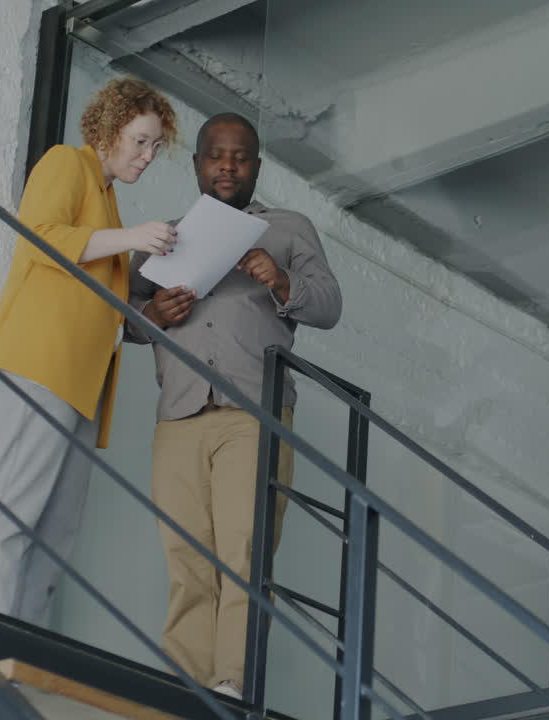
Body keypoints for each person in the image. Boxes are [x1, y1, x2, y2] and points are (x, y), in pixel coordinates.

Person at [126, 112, 342, 699]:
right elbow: (121, 315)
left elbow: (328, 305)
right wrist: (151, 318)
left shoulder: (288, 227)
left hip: (256, 413)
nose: (227, 165)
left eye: (240, 156)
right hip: (179, 415)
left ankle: (231, 683)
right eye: (215, 155)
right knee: (185, 552)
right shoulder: (163, 236)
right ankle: (184, 685)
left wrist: (280, 282)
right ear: (197, 163)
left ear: (256, 167)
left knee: (244, 551)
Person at [0, 77, 179, 625]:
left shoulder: (107, 199)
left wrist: (153, 303)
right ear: (108, 130)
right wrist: (133, 240)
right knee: (13, 506)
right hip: (43, 365)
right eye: (140, 141)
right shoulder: (66, 162)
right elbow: (39, 234)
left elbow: (101, 302)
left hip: (83, 383)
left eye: (155, 145)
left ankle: (22, 649)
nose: (148, 156)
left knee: (55, 528)